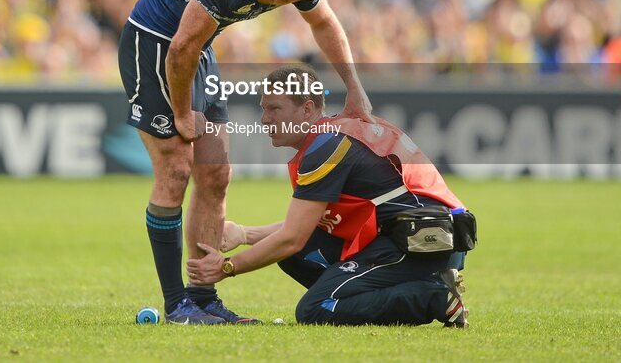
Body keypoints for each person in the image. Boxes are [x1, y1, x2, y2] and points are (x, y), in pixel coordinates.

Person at [118, 0, 374, 324]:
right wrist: (183, 113)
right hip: (157, 45)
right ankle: (177, 305)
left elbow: (323, 23)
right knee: (176, 169)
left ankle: (203, 298)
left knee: (217, 173)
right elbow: (180, 48)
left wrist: (354, 88)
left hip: (197, 49)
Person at [187, 64, 474, 327]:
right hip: (417, 237)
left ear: (307, 109)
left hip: (421, 245)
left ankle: (432, 295)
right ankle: (413, 286)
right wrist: (244, 234)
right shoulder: (331, 136)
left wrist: (227, 267)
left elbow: (292, 236)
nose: (264, 119)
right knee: (293, 256)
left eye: (274, 108)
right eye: (263, 109)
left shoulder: (327, 147)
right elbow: (304, 228)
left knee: (315, 309)